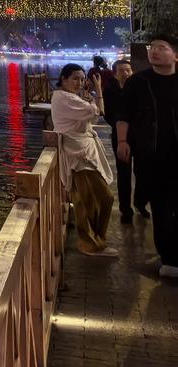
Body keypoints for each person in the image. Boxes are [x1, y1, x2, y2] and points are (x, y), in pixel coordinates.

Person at [117, 33, 178, 278]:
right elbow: (124, 115)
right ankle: (170, 259)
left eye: (162, 47)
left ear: (175, 54)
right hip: (150, 156)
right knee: (161, 208)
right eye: (152, 47)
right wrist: (123, 141)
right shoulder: (138, 82)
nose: (154, 51)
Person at [51, 63, 116, 256]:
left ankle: (95, 241)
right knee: (98, 199)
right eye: (74, 78)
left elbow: (91, 117)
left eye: (81, 79)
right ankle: (91, 244)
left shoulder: (69, 97)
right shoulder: (64, 98)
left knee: (90, 199)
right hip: (79, 155)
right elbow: (99, 112)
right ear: (63, 79)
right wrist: (98, 91)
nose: (79, 82)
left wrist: (89, 102)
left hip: (82, 153)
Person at [102, 58, 148, 223]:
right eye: (122, 71)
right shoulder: (110, 90)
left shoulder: (139, 88)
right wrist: (120, 126)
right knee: (124, 173)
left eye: (128, 70)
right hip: (120, 136)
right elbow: (108, 114)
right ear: (115, 74)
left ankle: (140, 202)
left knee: (142, 171)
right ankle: (125, 210)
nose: (126, 73)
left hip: (141, 135)